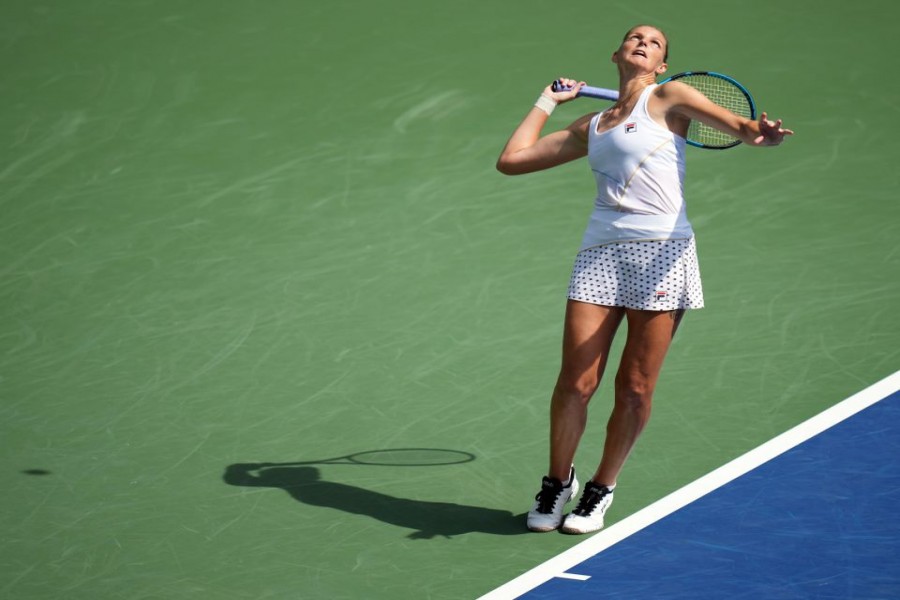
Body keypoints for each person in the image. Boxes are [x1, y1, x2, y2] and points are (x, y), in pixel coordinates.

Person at [495, 25, 793, 534]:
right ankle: (556, 482)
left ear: (660, 65)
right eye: (634, 37)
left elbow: (738, 126)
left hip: (663, 254)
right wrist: (546, 100)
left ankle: (600, 489)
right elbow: (512, 161)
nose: (643, 43)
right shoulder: (592, 125)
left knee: (634, 387)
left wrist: (755, 133)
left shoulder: (671, 96)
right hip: (599, 255)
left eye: (654, 43)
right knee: (576, 382)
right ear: (617, 54)